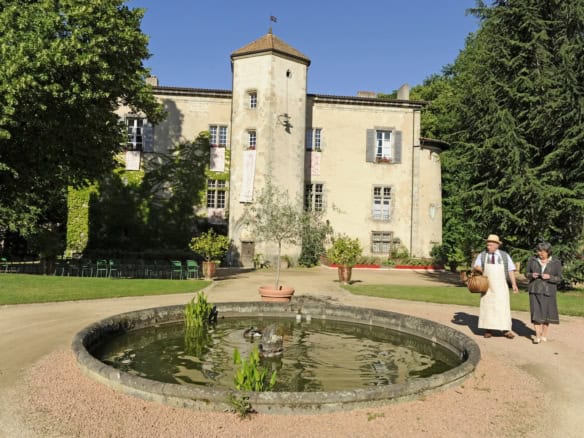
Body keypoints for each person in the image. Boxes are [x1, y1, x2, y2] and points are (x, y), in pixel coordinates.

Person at [473, 234, 519, 339]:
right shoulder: (482, 255)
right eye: (488, 245)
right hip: (487, 285)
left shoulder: (504, 255)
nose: (488, 247)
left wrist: (514, 284)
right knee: (488, 307)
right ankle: (488, 330)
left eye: (491, 245)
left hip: (501, 286)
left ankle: (506, 330)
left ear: (497, 245)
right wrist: (478, 268)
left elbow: (511, 270)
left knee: (503, 307)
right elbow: (476, 267)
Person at [525, 241, 561, 344]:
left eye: (543, 251)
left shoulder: (556, 262)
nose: (540, 253)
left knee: (546, 314)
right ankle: (537, 336)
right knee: (536, 312)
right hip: (534, 290)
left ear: (548, 252)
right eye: (539, 251)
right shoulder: (532, 261)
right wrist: (532, 275)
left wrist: (550, 277)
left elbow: (559, 278)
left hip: (549, 291)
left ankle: (544, 334)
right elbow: (526, 273)